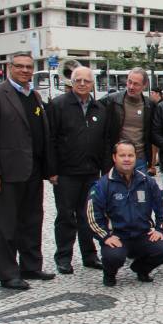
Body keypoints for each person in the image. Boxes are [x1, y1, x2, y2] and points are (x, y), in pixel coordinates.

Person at [0, 52, 57, 290]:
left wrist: (49, 169)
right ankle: (8, 273)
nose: (25, 70)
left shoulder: (33, 95)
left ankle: (30, 266)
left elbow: (43, 133)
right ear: (9, 67)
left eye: (29, 67)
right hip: (8, 172)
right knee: (6, 225)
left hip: (33, 170)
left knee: (32, 220)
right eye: (20, 66)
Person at [47, 66, 109, 275]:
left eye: (87, 81)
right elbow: (50, 140)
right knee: (66, 216)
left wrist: (105, 172)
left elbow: (105, 142)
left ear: (93, 84)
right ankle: (63, 257)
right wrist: (52, 170)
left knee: (88, 216)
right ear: (71, 82)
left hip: (91, 172)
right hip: (66, 172)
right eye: (78, 80)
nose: (82, 84)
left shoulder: (100, 108)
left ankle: (89, 255)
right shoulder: (58, 105)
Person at [87, 140, 163, 286]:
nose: (127, 159)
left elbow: (162, 205)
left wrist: (159, 229)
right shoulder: (103, 184)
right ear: (114, 158)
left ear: (135, 157)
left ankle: (141, 269)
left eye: (130, 155)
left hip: (142, 234)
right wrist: (105, 236)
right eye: (122, 155)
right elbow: (93, 215)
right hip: (118, 236)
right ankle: (109, 274)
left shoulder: (146, 181)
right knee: (113, 257)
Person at [103, 68, 155, 174]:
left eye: (136, 84)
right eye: (129, 82)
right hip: (118, 159)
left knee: (140, 190)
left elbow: (153, 134)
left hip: (140, 159)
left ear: (144, 85)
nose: (131, 87)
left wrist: (152, 163)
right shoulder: (112, 101)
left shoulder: (150, 105)